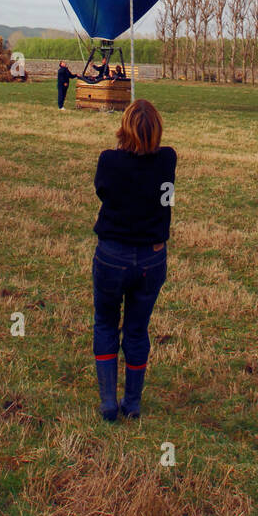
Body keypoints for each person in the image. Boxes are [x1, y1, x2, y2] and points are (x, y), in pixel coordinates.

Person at [92, 99, 176, 422]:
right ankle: (133, 403)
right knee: (138, 330)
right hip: (151, 258)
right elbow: (166, 196)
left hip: (112, 254)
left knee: (105, 322)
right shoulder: (168, 159)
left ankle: (108, 403)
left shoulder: (109, 161)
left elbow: (103, 191)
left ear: (123, 128)